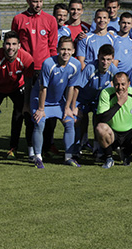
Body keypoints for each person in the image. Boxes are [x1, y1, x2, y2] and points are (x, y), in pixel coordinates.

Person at [0, 31, 35, 164]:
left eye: (14, 44)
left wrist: (27, 104)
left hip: (17, 88)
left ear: (19, 45)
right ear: (3, 44)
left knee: (26, 115)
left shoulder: (27, 58)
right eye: (8, 44)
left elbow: (29, 84)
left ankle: (30, 152)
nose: (11, 47)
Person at [31, 36, 81, 169]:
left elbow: (71, 87)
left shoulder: (75, 65)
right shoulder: (48, 64)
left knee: (70, 121)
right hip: (41, 100)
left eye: (69, 49)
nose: (66, 52)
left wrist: (68, 107)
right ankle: (37, 156)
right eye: (63, 49)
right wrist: (41, 109)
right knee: (39, 123)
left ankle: (68, 157)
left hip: (58, 101)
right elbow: (43, 88)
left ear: (73, 50)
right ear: (58, 49)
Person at [74, 44, 118, 159]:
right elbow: (77, 87)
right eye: (103, 59)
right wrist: (73, 106)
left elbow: (121, 88)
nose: (105, 62)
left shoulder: (113, 70)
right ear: (98, 57)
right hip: (83, 98)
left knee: (99, 122)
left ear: (112, 59)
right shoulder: (90, 68)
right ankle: (78, 146)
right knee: (78, 120)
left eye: (108, 59)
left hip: (98, 101)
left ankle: (97, 148)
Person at [11, 0, 58, 73]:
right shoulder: (18, 19)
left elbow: (53, 45)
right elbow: (14, 43)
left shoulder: (51, 20)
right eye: (35, 2)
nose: (38, 5)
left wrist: (53, 64)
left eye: (41, 1)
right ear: (28, 1)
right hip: (23, 64)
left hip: (44, 65)